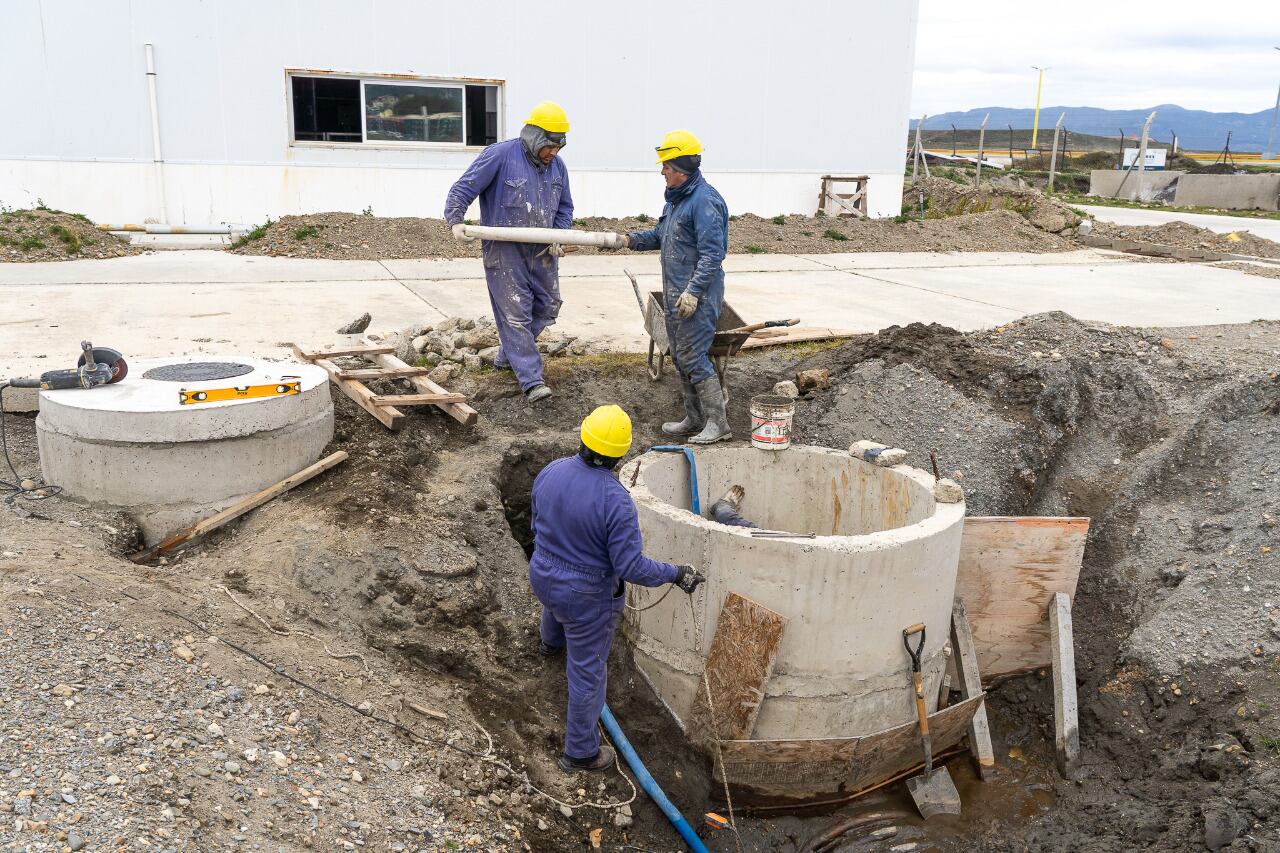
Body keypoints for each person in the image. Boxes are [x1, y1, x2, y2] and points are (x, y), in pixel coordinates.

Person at [528, 404, 706, 772]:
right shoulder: (616, 501)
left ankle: (549, 644)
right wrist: (675, 573)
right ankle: (580, 753)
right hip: (585, 598)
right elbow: (630, 567)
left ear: (584, 437)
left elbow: (537, 523)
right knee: (587, 671)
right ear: (621, 452)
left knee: (556, 604)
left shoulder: (551, 471)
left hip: (542, 574)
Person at [444, 101, 574, 403]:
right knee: (515, 315)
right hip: (505, 253)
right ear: (535, 136)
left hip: (543, 252)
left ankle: (507, 356)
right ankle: (531, 379)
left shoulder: (557, 167)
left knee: (548, 306)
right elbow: (463, 189)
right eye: (551, 146)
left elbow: (565, 206)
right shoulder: (500, 155)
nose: (554, 152)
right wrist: (456, 221)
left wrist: (560, 233)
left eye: (559, 146)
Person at [620, 130, 731, 443]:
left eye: (666, 165)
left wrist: (694, 292)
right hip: (675, 295)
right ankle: (695, 419)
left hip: (697, 297)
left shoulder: (704, 201)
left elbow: (713, 255)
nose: (662, 170)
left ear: (682, 166)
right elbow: (660, 235)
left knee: (695, 356)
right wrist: (628, 240)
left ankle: (718, 423)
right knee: (682, 357)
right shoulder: (677, 202)